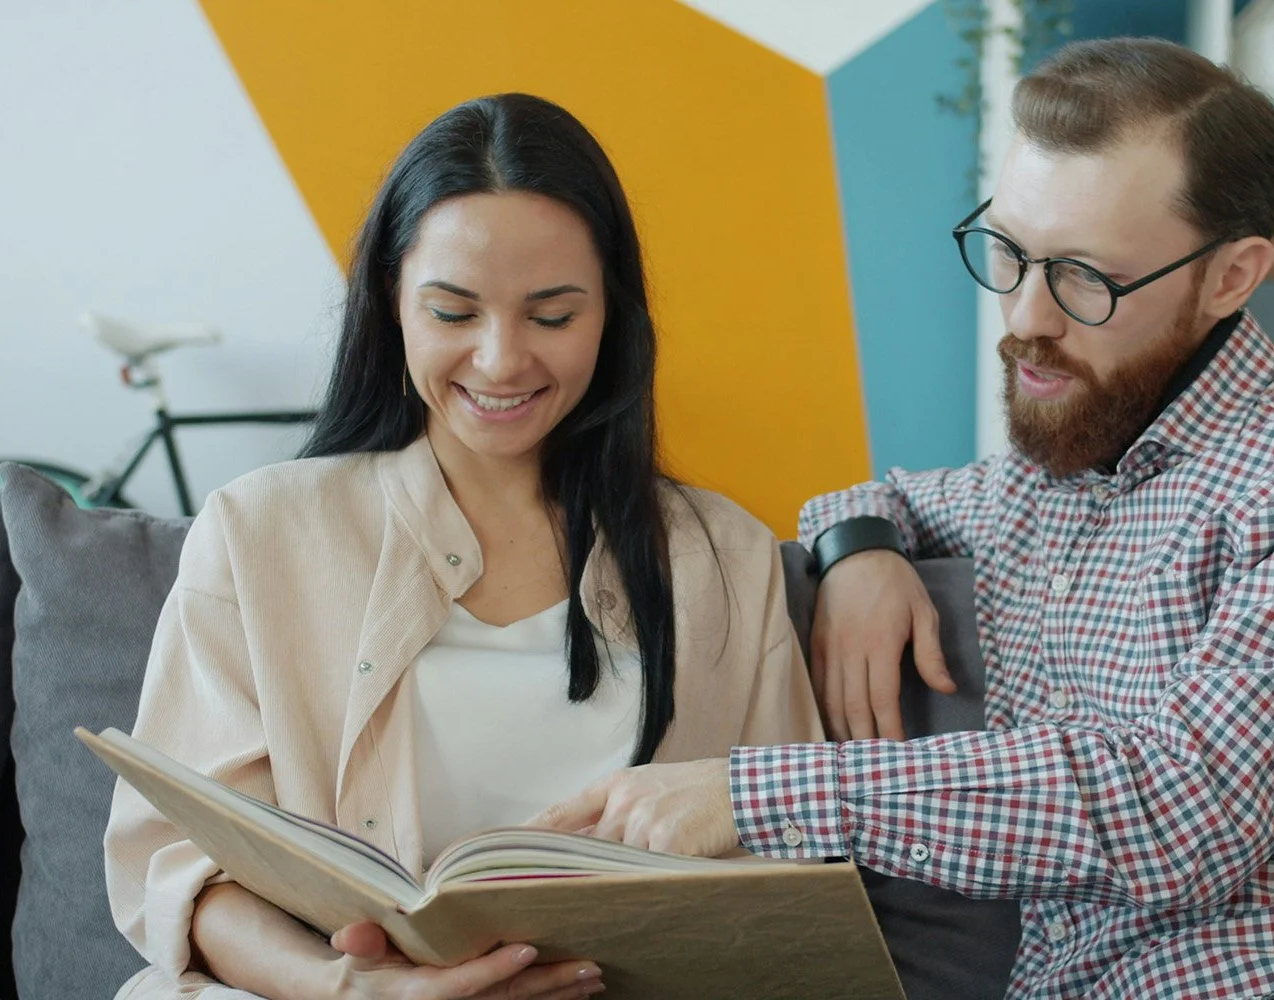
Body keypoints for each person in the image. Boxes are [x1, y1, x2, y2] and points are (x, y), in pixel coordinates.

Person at [535, 38, 1274, 998]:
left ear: (1231, 277)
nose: (1025, 317)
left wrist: (751, 797)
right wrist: (859, 549)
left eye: (1082, 277)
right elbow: (889, 495)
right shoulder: (1038, 482)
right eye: (1009, 252)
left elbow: (1185, 810)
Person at [103, 92, 823, 1000]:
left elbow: (794, 869)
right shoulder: (259, 533)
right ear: (392, 305)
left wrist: (866, 549)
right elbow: (185, 865)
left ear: (612, 314)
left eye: (552, 317)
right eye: (453, 313)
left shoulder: (723, 558)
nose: (501, 360)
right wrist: (353, 991)